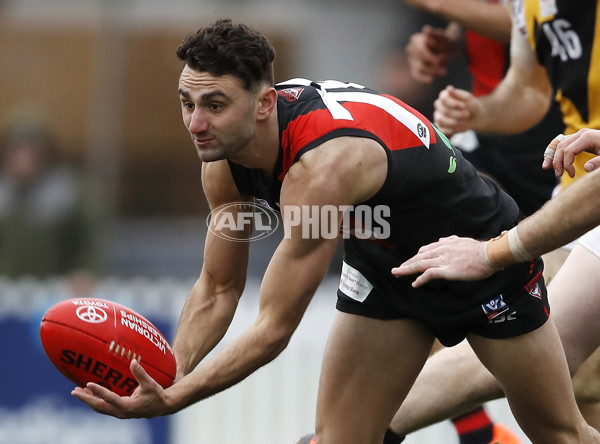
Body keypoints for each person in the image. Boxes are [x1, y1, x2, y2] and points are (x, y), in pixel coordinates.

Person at [71, 19, 598, 443]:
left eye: (214, 105)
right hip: (384, 265)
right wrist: (171, 371)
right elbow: (218, 287)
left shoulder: (320, 171)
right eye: (187, 104)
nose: (195, 125)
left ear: (264, 104)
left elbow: (275, 327)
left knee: (559, 432)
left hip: (475, 257)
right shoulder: (221, 161)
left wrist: (177, 400)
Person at [379, 0, 600, 439]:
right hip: (574, 188)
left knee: (546, 355)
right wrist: (479, 112)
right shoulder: (529, 5)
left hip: (574, 186)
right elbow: (526, 90)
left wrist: (491, 254)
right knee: (568, 385)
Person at [0, 117, 100, 295]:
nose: (23, 156)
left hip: (54, 289)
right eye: (17, 148)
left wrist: (85, 270)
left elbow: (90, 237)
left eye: (31, 148)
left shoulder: (67, 191)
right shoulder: (4, 189)